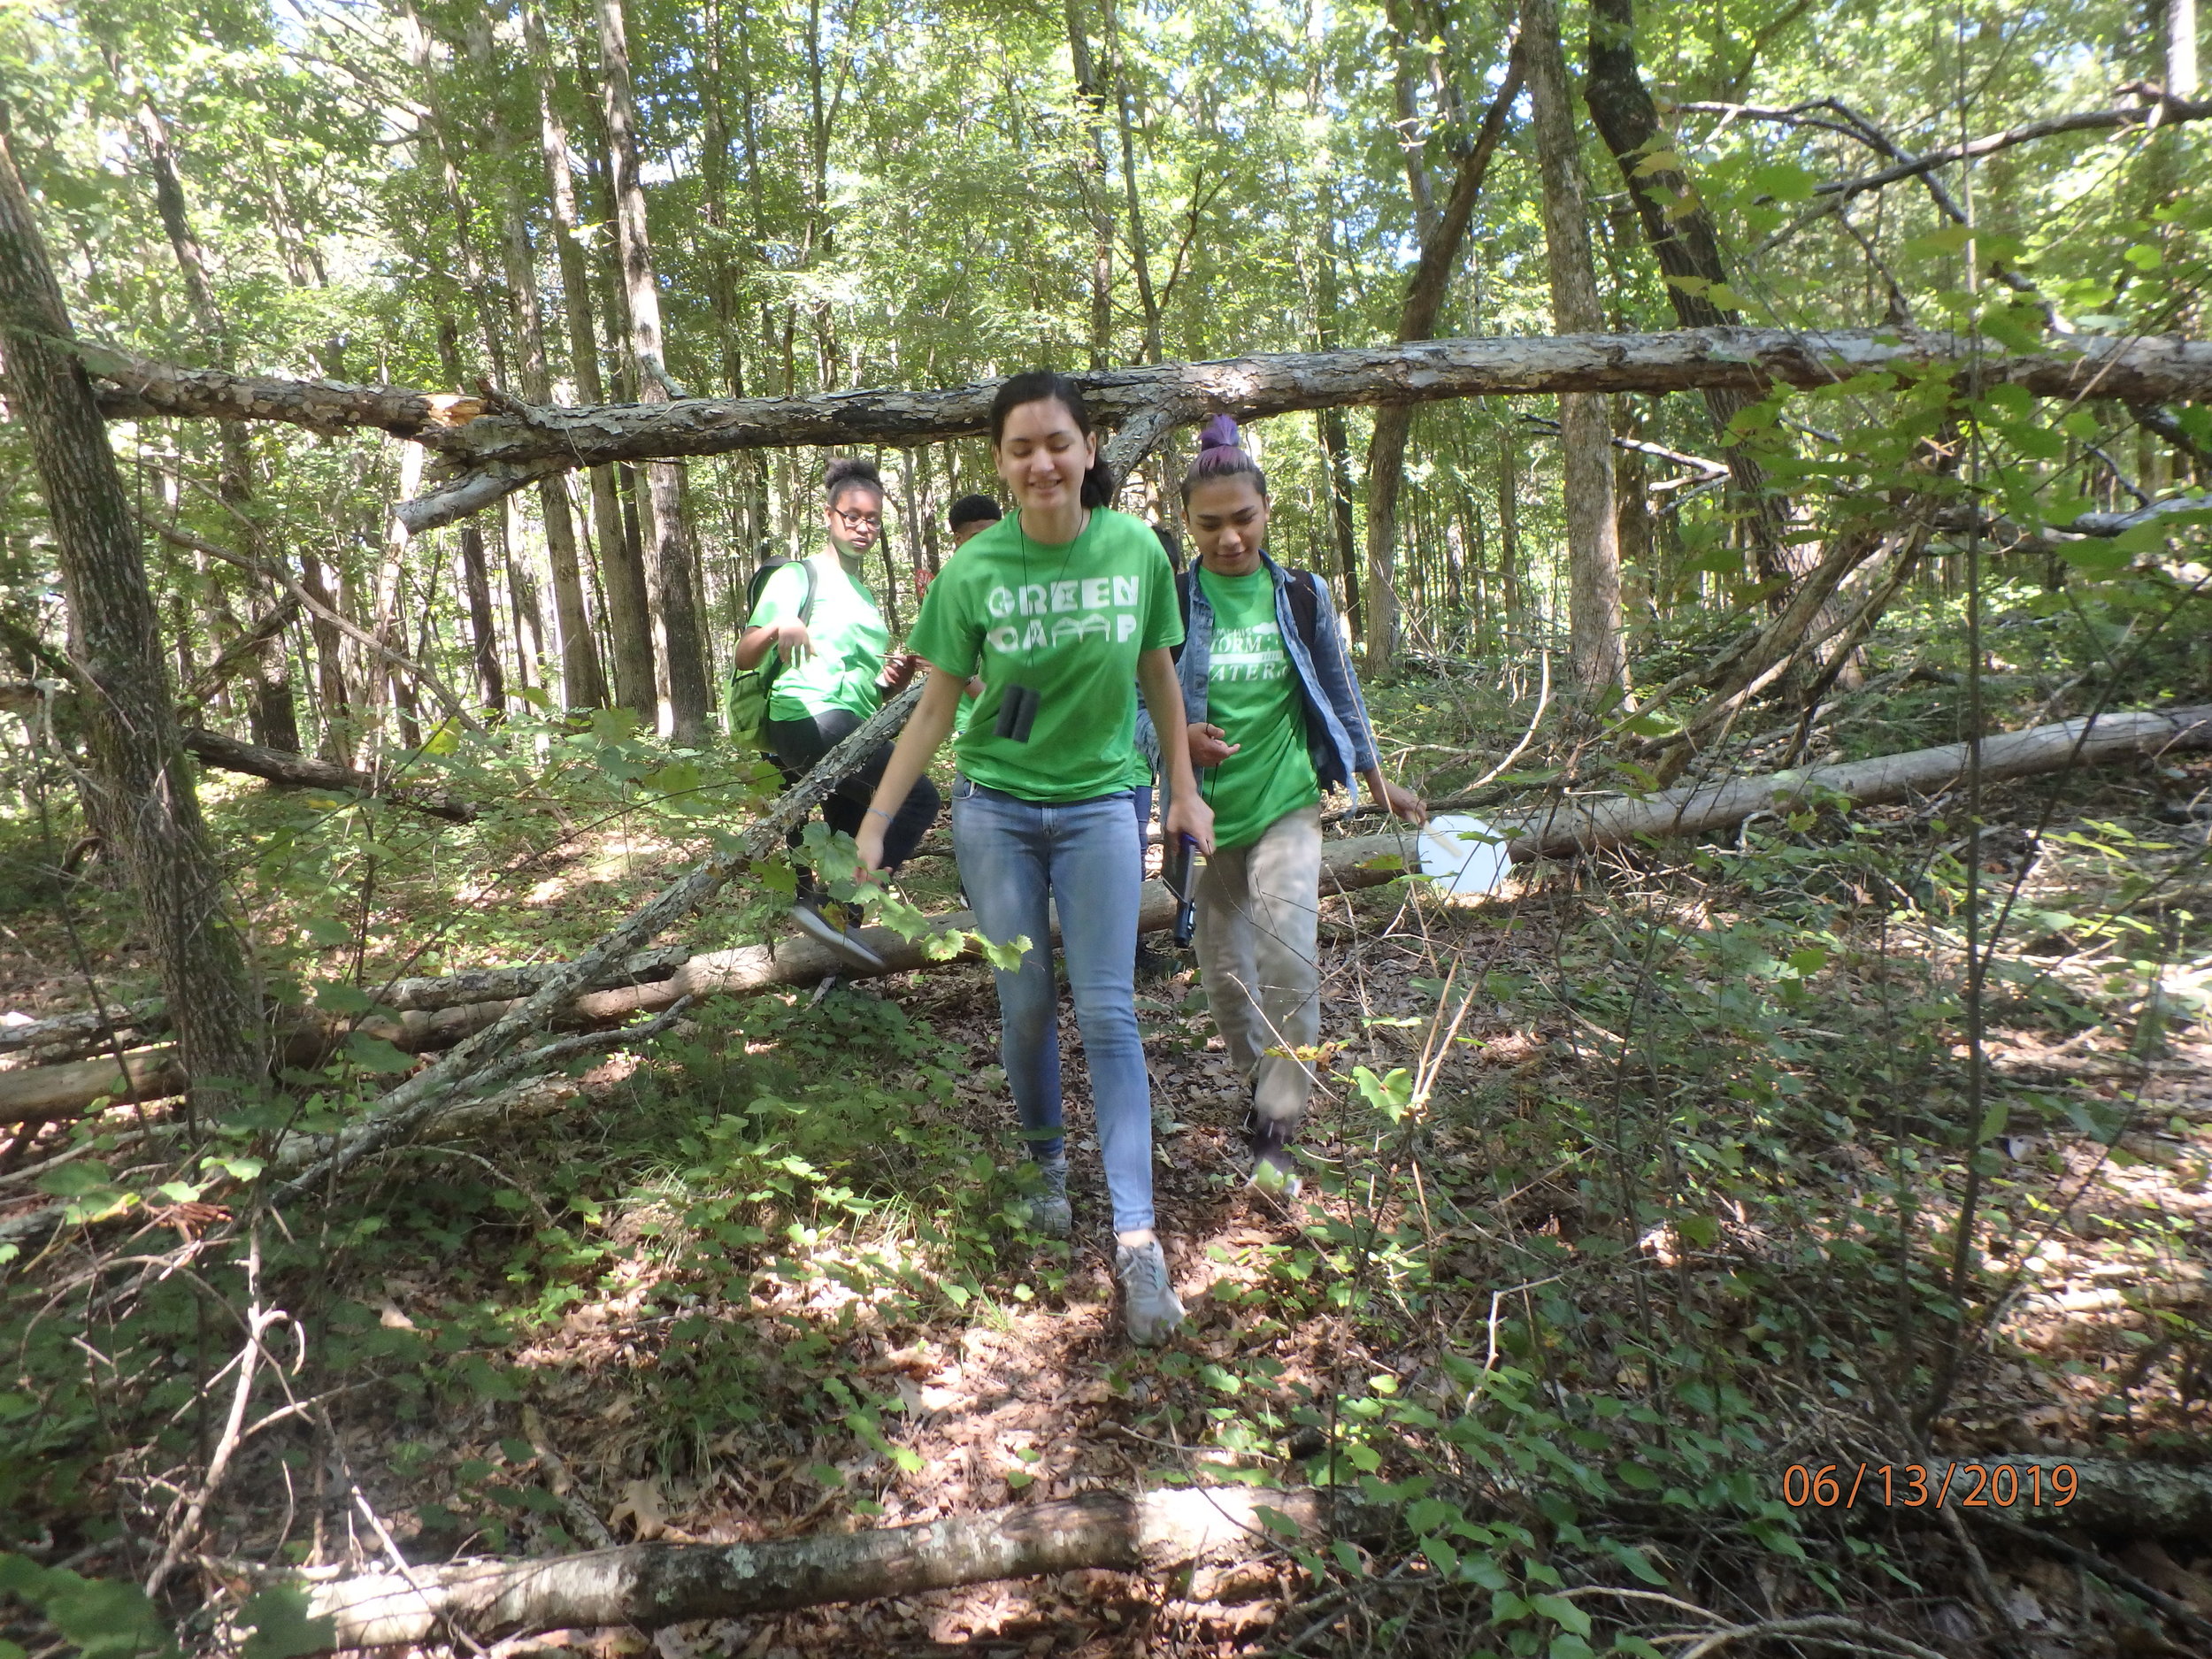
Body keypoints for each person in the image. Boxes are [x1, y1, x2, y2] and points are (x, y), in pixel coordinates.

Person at [855, 371, 1212, 1346]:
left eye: (1056, 442)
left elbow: (1160, 681)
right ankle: (1044, 1165)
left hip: (1101, 802)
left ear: (1088, 448)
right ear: (1002, 465)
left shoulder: (1134, 549)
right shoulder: (973, 573)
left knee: (1106, 1007)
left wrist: (1181, 790)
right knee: (1022, 999)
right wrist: (881, 816)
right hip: (996, 811)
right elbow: (936, 705)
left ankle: (1137, 1241)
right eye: (1020, 449)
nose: (1041, 462)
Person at [1148, 417, 1425, 1195]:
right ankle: (1255, 1094)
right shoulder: (1169, 602)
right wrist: (1177, 742)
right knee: (1227, 981)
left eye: (1244, 518)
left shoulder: (1301, 593)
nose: (1230, 536)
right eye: (1211, 523)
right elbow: (1138, 709)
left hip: (1288, 806)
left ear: (1265, 511)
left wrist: (1379, 781)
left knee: (1290, 964)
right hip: (1203, 823)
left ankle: (1276, 1130)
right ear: (1188, 524)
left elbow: (1340, 691)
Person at [735, 457, 937, 966]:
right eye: (852, 516)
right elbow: (745, 653)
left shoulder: (866, 597)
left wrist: (891, 683)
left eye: (872, 519)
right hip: (806, 718)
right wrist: (781, 627)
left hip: (851, 724)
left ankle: (833, 961)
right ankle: (831, 909)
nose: (863, 527)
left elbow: (864, 689)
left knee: (851, 844)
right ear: (829, 516)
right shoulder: (797, 576)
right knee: (916, 799)